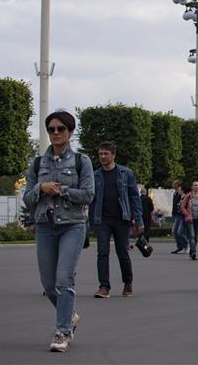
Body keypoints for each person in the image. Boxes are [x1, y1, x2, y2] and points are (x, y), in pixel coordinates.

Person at [23, 111, 94, 352]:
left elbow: (88, 195)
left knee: (64, 279)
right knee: (48, 284)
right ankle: (70, 315)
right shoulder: (37, 163)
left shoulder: (81, 161)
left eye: (60, 129)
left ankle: (62, 332)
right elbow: (27, 198)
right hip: (45, 225)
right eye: (51, 129)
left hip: (72, 225)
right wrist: (41, 188)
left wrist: (62, 190)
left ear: (70, 132)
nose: (55, 133)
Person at [89, 141, 144, 299]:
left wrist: (139, 219)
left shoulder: (125, 173)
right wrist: (91, 223)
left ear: (113, 155)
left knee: (123, 252)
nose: (103, 157)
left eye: (106, 154)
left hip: (121, 219)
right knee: (102, 253)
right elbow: (92, 200)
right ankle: (104, 286)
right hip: (102, 220)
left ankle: (128, 282)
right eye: (100, 154)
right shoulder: (95, 175)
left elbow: (134, 197)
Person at [181, 181, 198, 260]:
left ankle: (191, 252)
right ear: (192, 187)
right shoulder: (188, 196)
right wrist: (187, 215)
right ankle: (193, 252)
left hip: (197, 219)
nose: (197, 187)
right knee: (191, 236)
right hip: (190, 219)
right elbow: (182, 207)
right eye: (195, 185)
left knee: (195, 237)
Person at [170, 180, 188, 254]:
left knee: (180, 232)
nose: (172, 185)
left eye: (174, 184)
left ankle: (186, 245)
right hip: (175, 214)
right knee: (174, 231)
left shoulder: (181, 193)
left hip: (181, 215)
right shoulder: (175, 193)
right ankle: (179, 246)